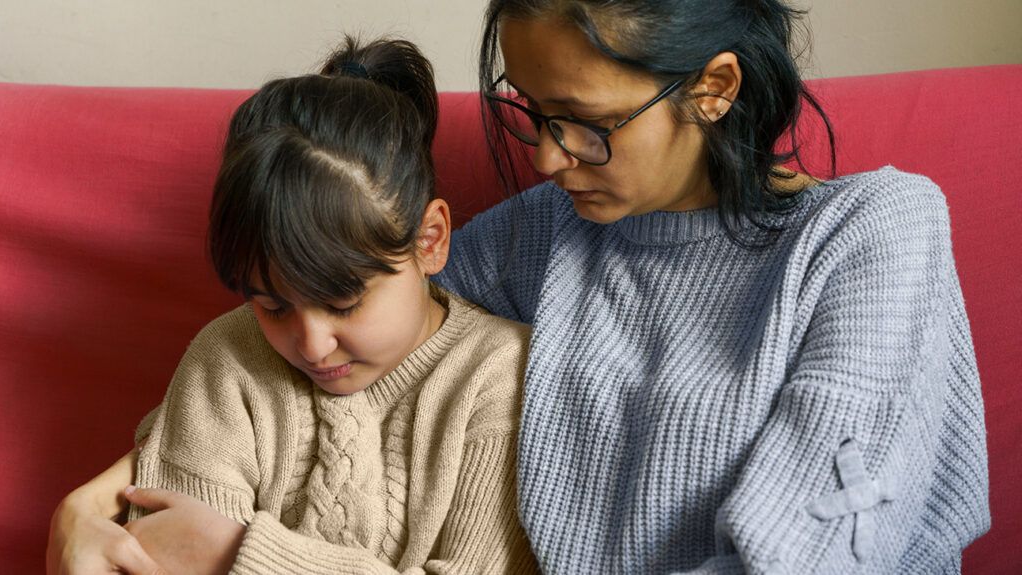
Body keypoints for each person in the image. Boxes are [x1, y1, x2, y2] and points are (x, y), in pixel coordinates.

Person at [49, 1, 991, 573]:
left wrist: (242, 556)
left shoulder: (870, 236)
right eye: (530, 111)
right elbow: (335, 305)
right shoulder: (556, 231)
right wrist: (87, 506)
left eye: (582, 121)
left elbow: (808, 558)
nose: (543, 157)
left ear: (713, 87)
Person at [48, 37, 538, 575]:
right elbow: (166, 557)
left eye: (344, 303)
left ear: (430, 240)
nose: (311, 345)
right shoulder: (229, 357)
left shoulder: (499, 376)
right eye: (273, 307)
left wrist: (242, 553)